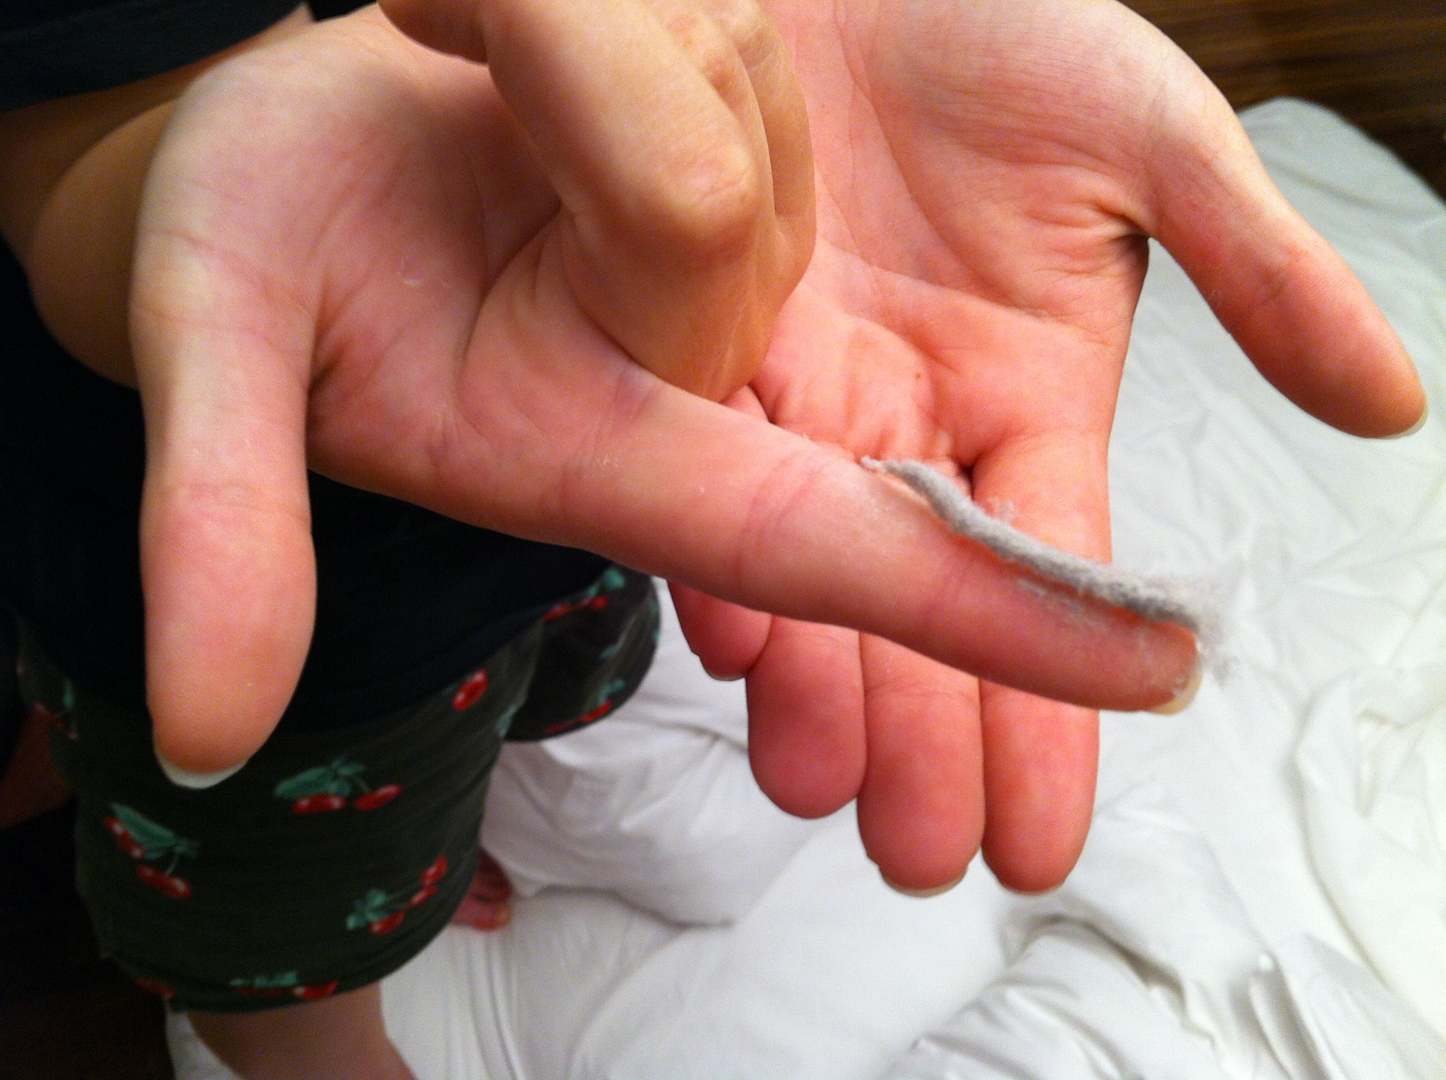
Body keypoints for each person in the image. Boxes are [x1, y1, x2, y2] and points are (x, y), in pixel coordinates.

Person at [0, 0, 1425, 1077]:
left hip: (625, 495)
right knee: (286, 952)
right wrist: (241, 178)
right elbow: (69, 141)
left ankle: (452, 821)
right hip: (285, 621)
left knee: (549, 696)